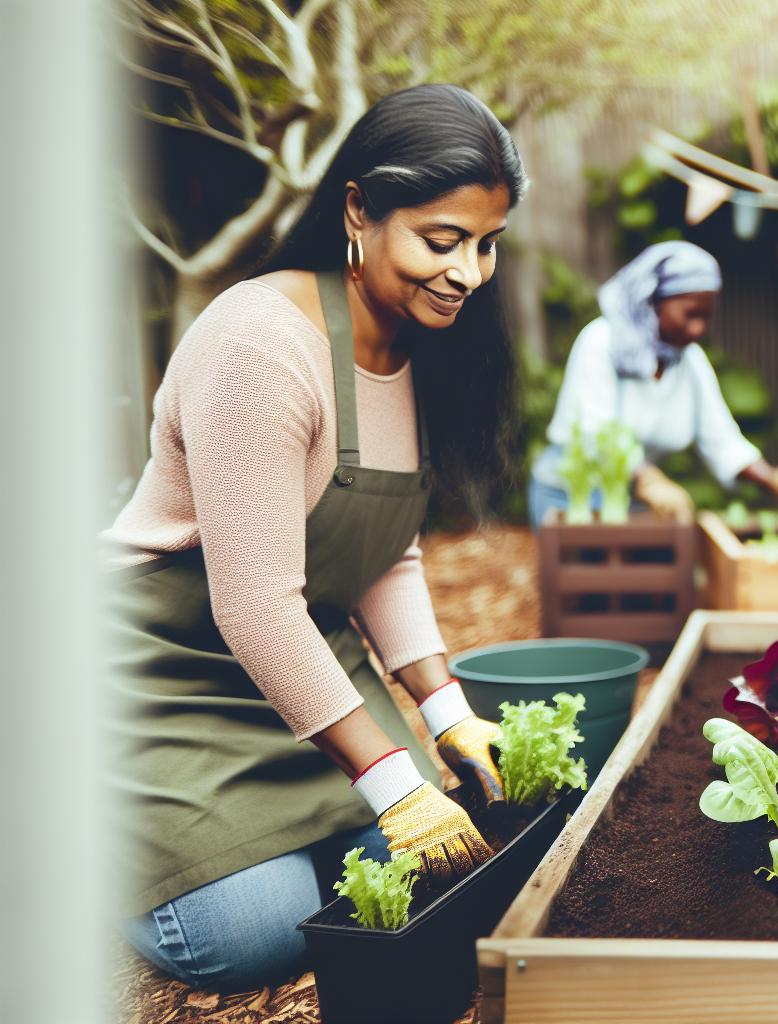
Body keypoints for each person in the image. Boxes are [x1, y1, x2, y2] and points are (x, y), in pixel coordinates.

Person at [105, 85, 526, 989]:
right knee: (246, 937)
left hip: (309, 659)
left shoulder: (415, 341)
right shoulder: (261, 344)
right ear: (359, 211)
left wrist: (448, 717)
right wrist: (390, 781)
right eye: (442, 242)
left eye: (487, 245)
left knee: (429, 868)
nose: (469, 274)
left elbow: (383, 550)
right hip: (169, 670)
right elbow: (252, 602)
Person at [530, 242, 778, 526]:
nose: (698, 329)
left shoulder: (690, 361)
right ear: (653, 301)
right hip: (569, 500)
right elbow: (597, 431)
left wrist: (774, 481)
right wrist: (650, 478)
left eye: (706, 317)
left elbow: (722, 439)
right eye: (690, 314)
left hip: (630, 505)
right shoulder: (601, 342)